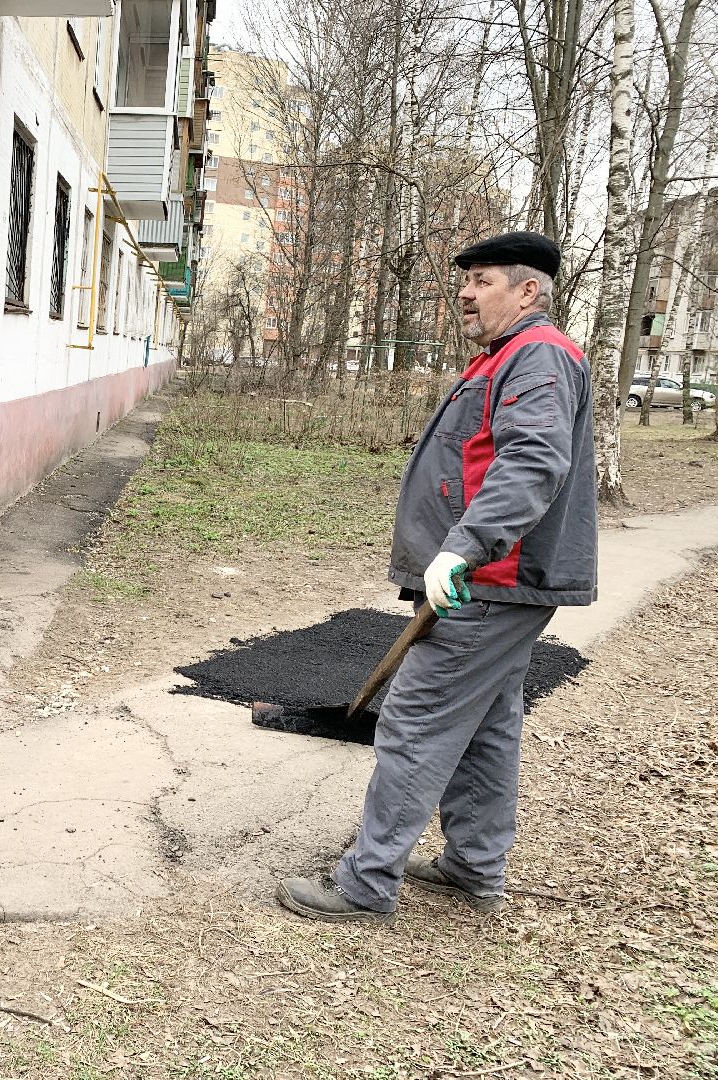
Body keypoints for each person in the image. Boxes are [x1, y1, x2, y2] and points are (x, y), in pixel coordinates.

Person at [277, 231, 598, 923]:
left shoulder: (538, 353)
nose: (465, 291)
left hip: (488, 581)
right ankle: (473, 866)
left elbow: (533, 460)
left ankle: (365, 886)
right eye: (467, 280)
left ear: (527, 289)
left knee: (415, 724)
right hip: (495, 580)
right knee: (487, 727)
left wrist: (463, 549)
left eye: (482, 280)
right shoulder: (508, 356)